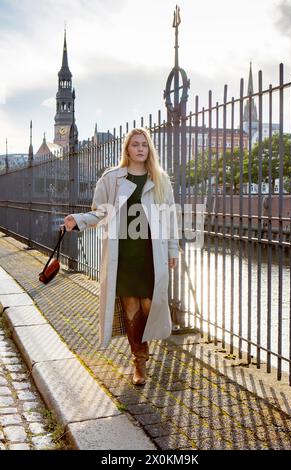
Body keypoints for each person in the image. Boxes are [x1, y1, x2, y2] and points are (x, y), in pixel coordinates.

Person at [63, 128, 179, 385]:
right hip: (124, 254)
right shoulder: (111, 179)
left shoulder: (160, 180)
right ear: (127, 149)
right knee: (131, 307)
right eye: (135, 144)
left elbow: (170, 219)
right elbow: (100, 213)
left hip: (151, 252)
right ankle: (139, 361)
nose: (140, 149)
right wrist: (78, 219)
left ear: (149, 150)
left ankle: (143, 348)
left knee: (150, 304)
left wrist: (172, 250)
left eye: (144, 145)